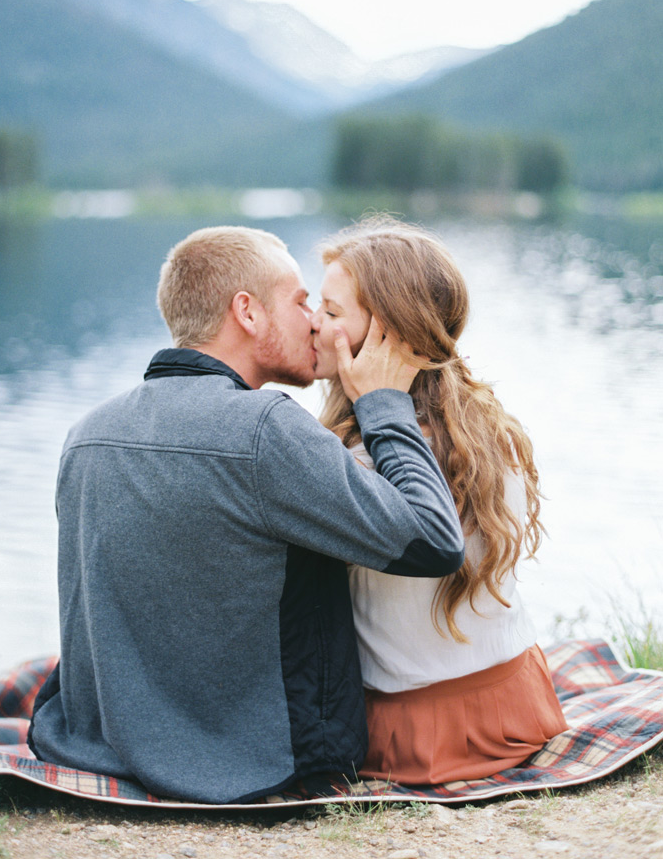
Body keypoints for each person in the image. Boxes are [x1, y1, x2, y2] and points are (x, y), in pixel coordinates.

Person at [29, 225, 464, 804]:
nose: (314, 320)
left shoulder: (84, 435)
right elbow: (434, 541)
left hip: (91, 742)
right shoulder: (266, 428)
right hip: (257, 763)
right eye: (301, 301)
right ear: (248, 313)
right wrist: (383, 404)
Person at [311, 217, 567, 785]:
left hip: (414, 736)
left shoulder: (356, 461)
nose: (312, 323)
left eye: (330, 313)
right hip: (521, 705)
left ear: (385, 334)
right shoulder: (489, 430)